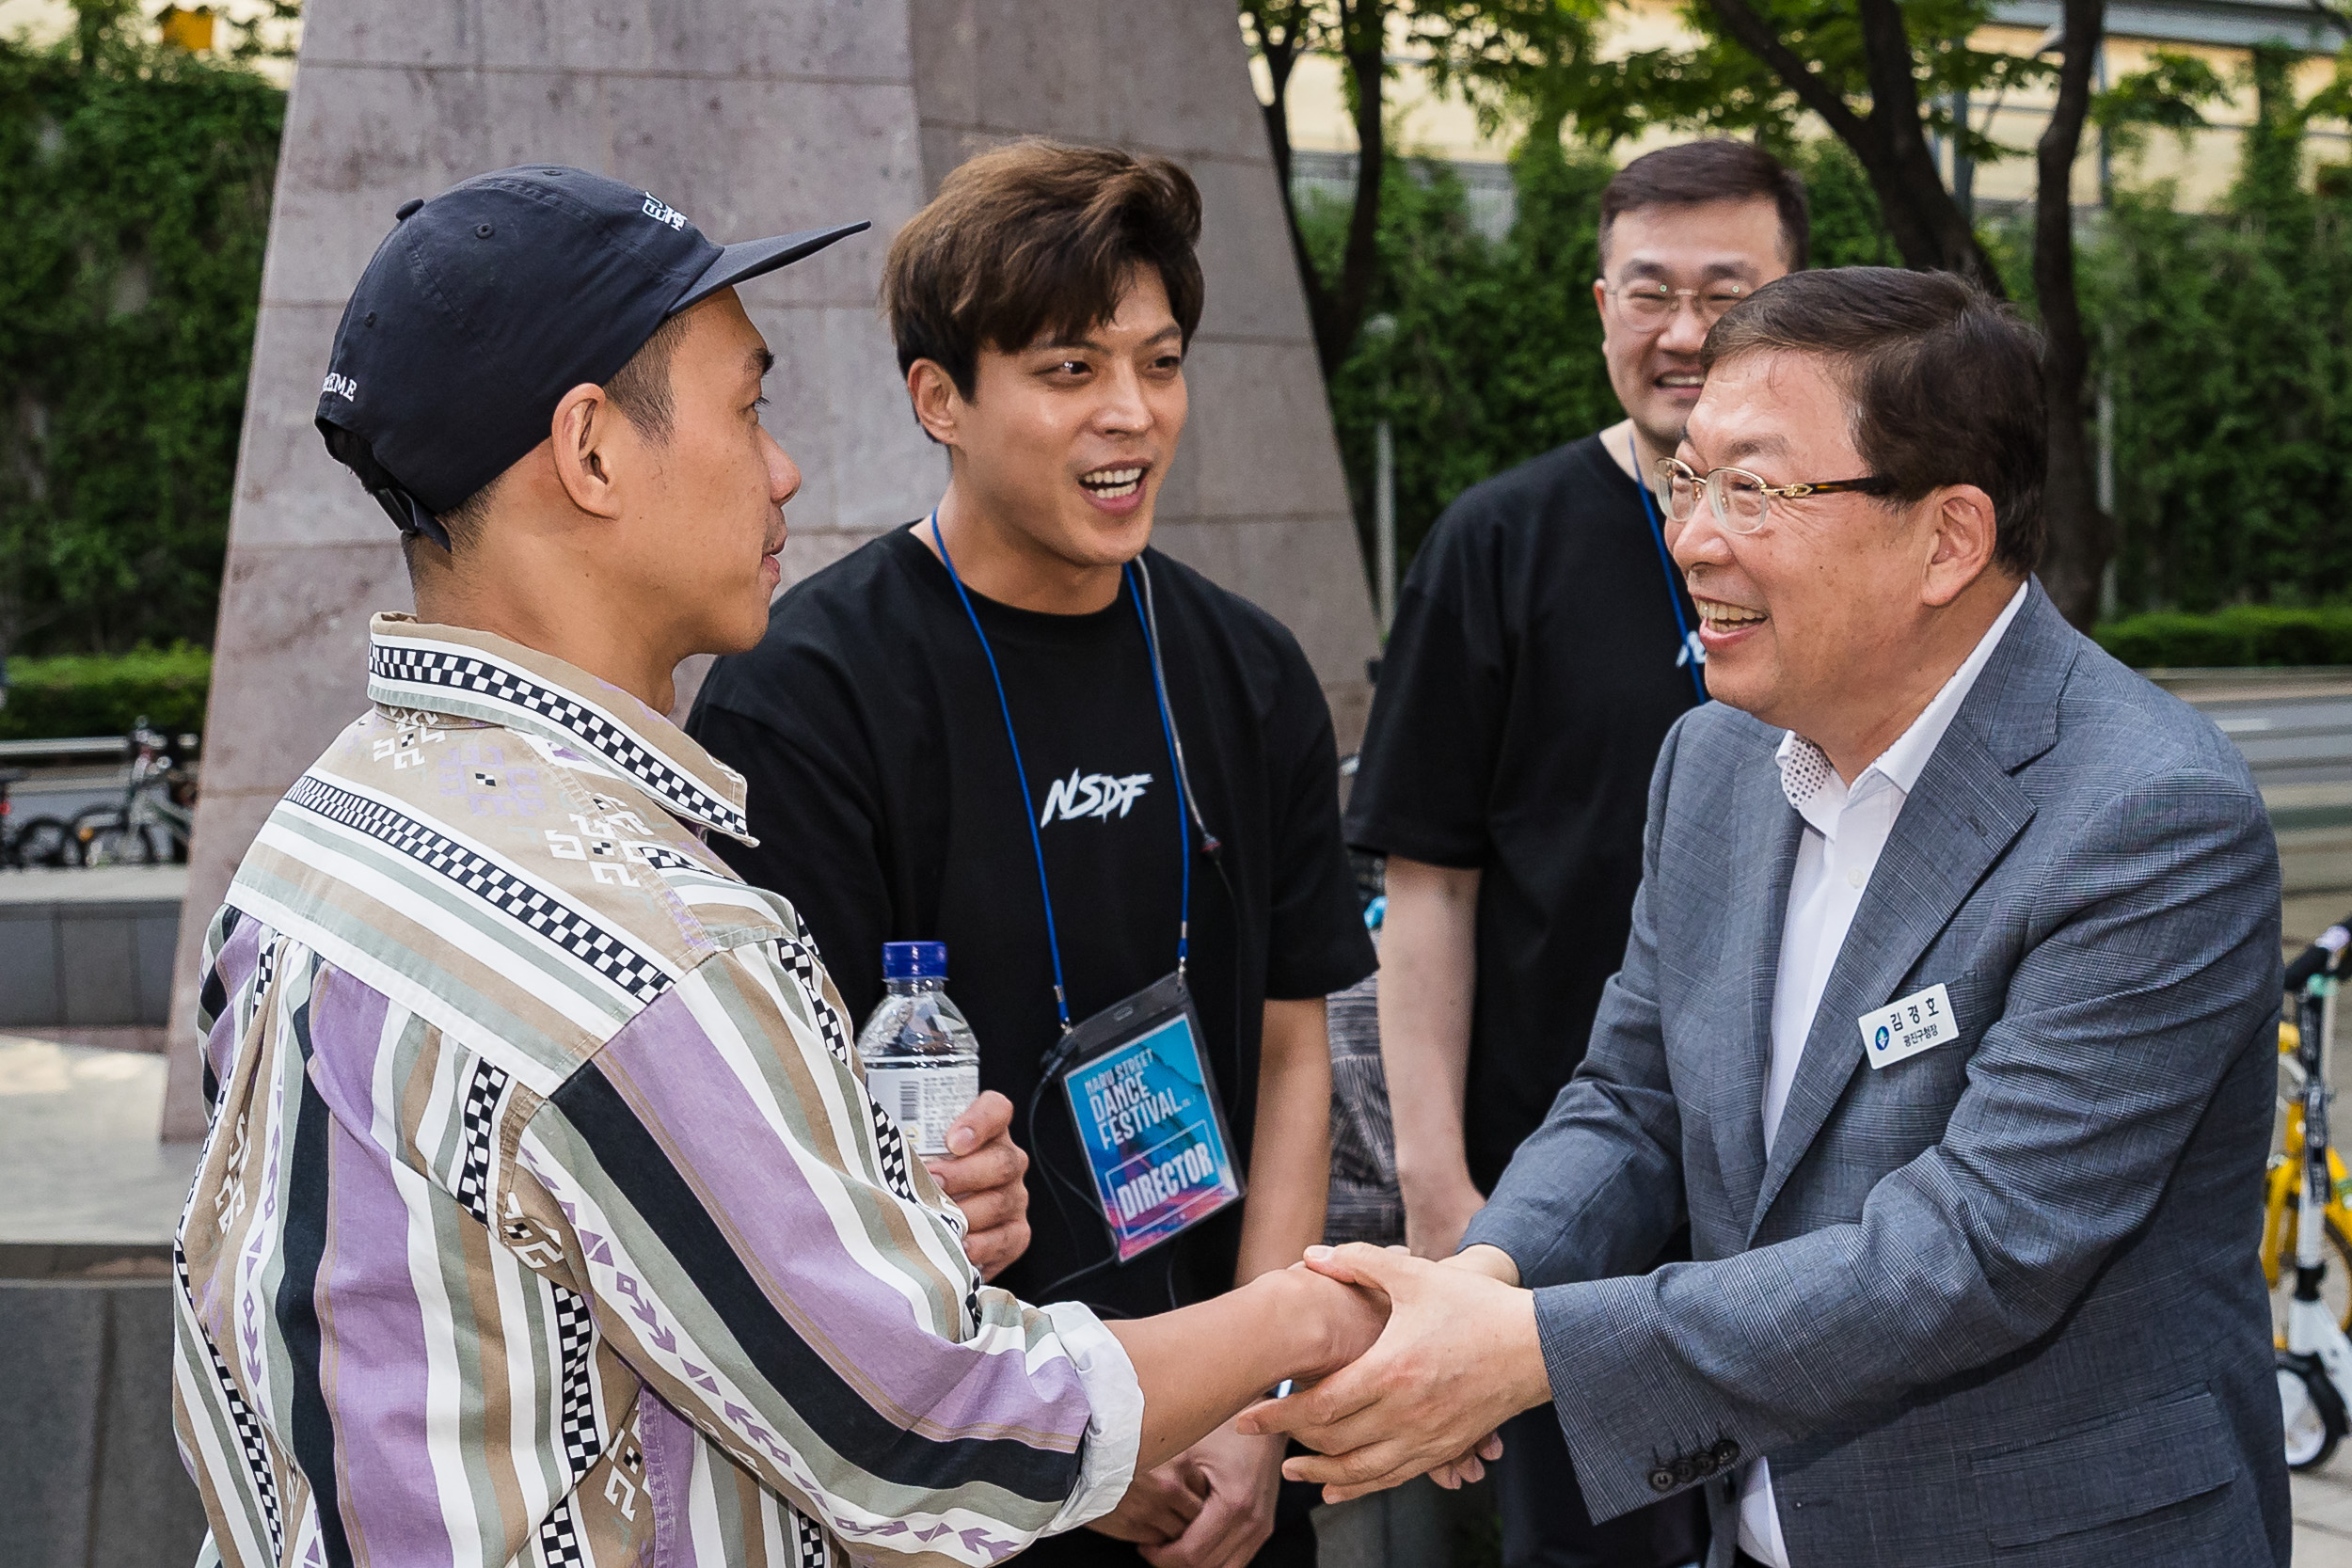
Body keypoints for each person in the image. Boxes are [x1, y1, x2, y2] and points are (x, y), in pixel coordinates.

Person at [171, 165, 1385, 1568]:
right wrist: (1320, 1321)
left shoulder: (322, 827)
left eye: (1159, 362)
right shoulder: (644, 946)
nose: (787, 466)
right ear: (592, 451)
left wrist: (886, 1209)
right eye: (749, 408)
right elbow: (929, 1423)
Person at [1245, 268, 2291, 1568]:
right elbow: (1634, 1097)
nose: (1691, 537)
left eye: (1755, 488)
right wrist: (1482, 1281)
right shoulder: (1716, 763)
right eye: (1687, 479)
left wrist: (1525, 1355)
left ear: (1948, 538)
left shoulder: (2149, 815)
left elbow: (1973, 1252)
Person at [688, 140, 1378, 1568]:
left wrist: (1255, 1404)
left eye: (1160, 360)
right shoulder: (811, 692)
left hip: (1232, 1467)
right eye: (1070, 370)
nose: (1131, 414)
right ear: (939, 398)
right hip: (959, 1475)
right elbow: (793, 1153)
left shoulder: (1249, 672)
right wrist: (1062, 1444)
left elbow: (1295, 1042)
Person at [1343, 136, 1805, 1566]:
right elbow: (1426, 882)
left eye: (1728, 294)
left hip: (1809, 1213)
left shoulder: (1852, 540)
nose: (1682, 333)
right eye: (1648, 290)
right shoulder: (1498, 544)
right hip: (1563, 1192)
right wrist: (1441, 1187)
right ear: (1597, 300)